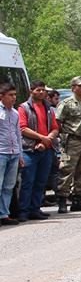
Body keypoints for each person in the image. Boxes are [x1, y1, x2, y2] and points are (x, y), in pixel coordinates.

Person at [17, 80, 59, 221]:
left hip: (46, 150)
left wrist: (48, 139)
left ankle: (36, 209)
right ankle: (23, 211)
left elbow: (55, 128)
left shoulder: (48, 108)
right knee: (28, 181)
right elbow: (23, 128)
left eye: (43, 90)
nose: (41, 92)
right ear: (31, 91)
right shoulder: (24, 108)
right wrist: (42, 138)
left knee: (41, 182)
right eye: (38, 90)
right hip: (29, 150)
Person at [55, 76, 81, 213]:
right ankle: (62, 199)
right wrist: (62, 138)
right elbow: (57, 122)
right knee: (66, 170)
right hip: (71, 141)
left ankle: (77, 199)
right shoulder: (66, 104)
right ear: (73, 88)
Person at [0, 82, 23, 225]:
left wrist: (20, 154)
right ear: (1, 96)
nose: (14, 98)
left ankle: (4, 214)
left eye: (15, 95)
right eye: (10, 95)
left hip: (13, 153)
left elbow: (17, 134)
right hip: (1, 152)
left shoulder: (15, 113)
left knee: (9, 186)